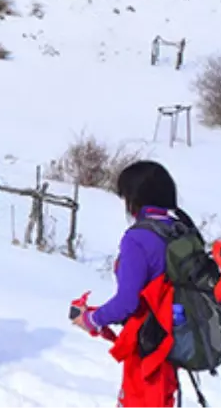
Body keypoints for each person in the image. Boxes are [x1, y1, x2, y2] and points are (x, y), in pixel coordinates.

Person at [74, 161, 189, 408]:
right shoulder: (180, 231)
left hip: (147, 348)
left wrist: (91, 319)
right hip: (174, 345)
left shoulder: (138, 239)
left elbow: (127, 302)